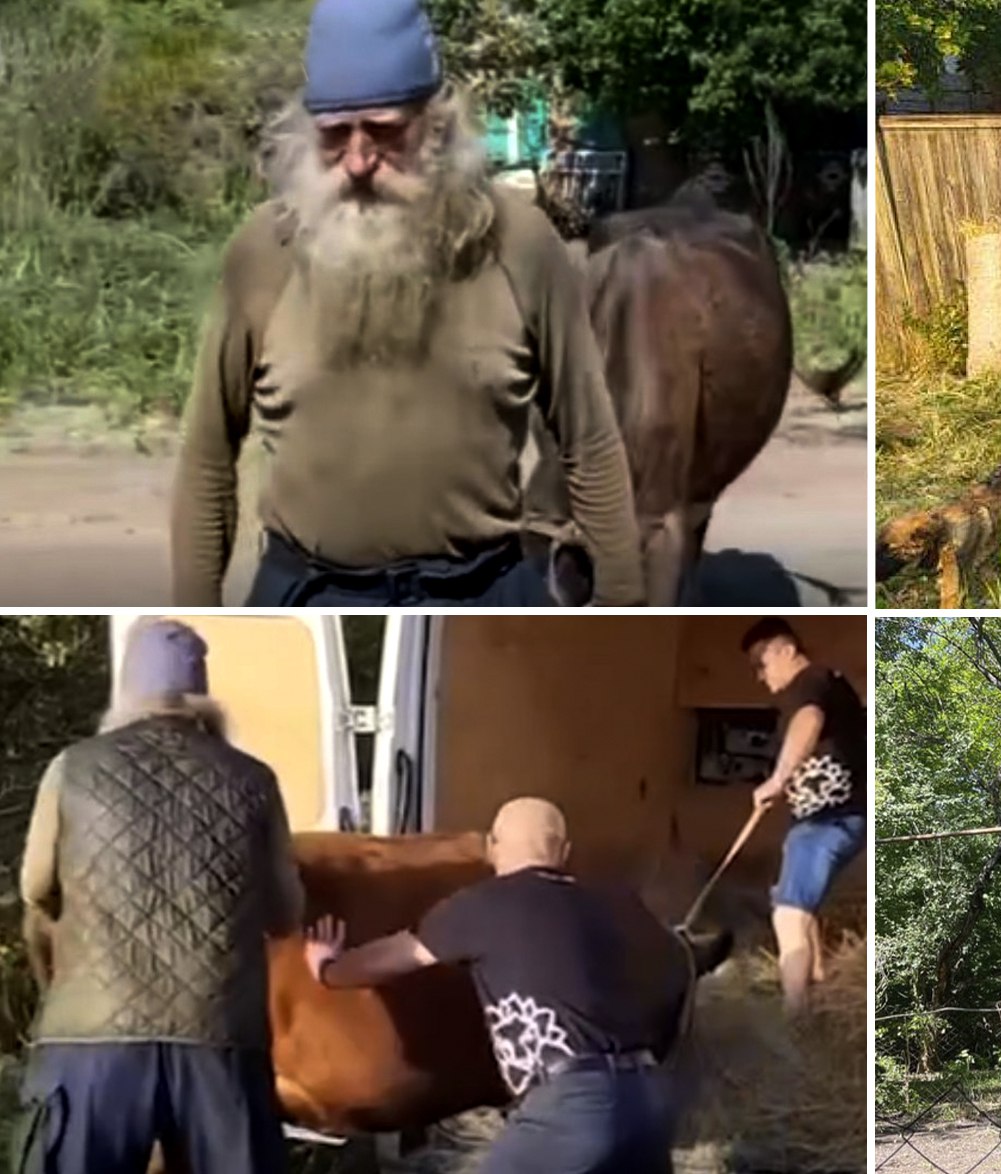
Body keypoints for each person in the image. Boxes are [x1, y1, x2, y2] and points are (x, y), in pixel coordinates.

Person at [170, 0, 645, 606]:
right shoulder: (264, 250)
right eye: (335, 137)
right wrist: (196, 615)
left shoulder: (520, 243)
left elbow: (591, 443)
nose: (361, 161)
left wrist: (625, 608)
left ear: (438, 125)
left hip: (485, 591)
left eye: (387, 131)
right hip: (311, 592)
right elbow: (208, 455)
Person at [15, 620, 303, 1174]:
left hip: (92, 1041)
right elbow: (287, 913)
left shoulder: (74, 766)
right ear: (202, 695)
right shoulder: (254, 779)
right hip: (220, 1038)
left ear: (129, 690)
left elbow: (34, 887)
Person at [303, 797, 677, 1174]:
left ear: (491, 848)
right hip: (649, 1099)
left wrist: (328, 967)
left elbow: (393, 958)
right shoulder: (608, 904)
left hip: (572, 1107)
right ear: (564, 851)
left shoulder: (480, 906)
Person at [740, 618, 867, 1014]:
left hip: (830, 820)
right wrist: (786, 787)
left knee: (789, 914)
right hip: (827, 818)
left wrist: (779, 779)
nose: (761, 677)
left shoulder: (810, 682)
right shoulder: (827, 684)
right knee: (799, 906)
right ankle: (814, 986)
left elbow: (807, 721)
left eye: (760, 664)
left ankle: (793, 1018)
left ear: (785, 649)